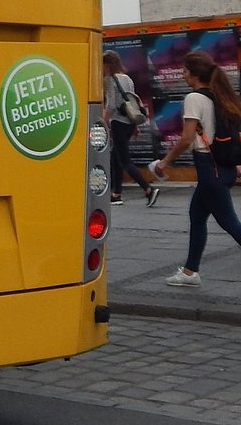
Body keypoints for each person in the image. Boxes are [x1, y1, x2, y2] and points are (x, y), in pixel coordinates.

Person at [154, 49, 241, 287]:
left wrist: (165, 161)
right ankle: (191, 272)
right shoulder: (219, 95)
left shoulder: (194, 98)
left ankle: (191, 272)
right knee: (197, 216)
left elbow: (186, 138)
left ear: (193, 74)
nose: (182, 74)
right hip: (222, 167)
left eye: (183, 70)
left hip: (208, 166)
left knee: (230, 222)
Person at [102, 51, 159, 206]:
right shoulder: (128, 78)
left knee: (125, 160)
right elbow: (132, 102)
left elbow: (112, 105)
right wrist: (134, 126)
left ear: (107, 64)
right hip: (128, 122)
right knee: (116, 158)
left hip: (118, 123)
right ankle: (116, 194)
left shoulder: (109, 79)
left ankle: (148, 189)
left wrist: (103, 121)